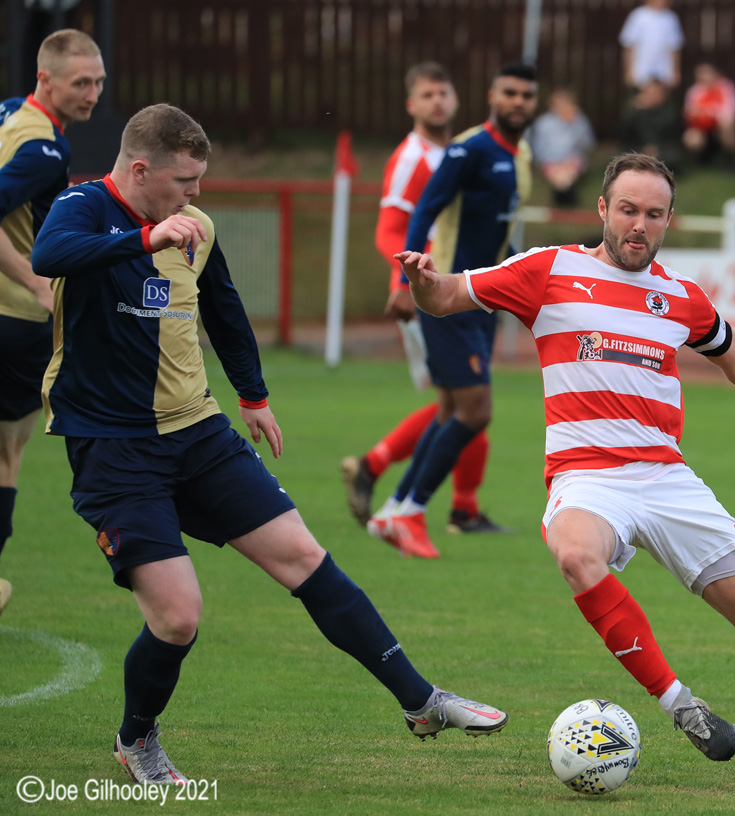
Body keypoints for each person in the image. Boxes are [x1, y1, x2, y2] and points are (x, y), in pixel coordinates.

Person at [31, 103, 508, 784]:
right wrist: (145, 239)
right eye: (185, 181)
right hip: (113, 445)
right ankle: (136, 740)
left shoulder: (198, 226)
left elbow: (223, 307)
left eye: (200, 181)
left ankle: (421, 700)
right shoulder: (82, 206)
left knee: (304, 557)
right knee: (177, 616)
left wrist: (253, 396)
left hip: (198, 432)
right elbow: (47, 256)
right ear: (141, 170)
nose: (196, 195)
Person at [395, 152, 735, 780]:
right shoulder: (550, 270)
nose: (639, 225)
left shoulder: (681, 297)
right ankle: (681, 705)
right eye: (628, 210)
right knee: (578, 554)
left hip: (666, 478)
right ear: (604, 209)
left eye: (654, 215)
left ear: (668, 221)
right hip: (587, 477)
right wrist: (421, 279)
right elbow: (445, 296)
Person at [366, 63, 538, 559]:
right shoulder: (469, 149)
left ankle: (392, 511)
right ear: (491, 96)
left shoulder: (519, 152)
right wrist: (406, 279)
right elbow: (421, 211)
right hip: (450, 298)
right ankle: (413, 511)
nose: (518, 102)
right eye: (509, 93)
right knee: (475, 410)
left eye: (527, 95)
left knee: (449, 411)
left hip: (486, 297)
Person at [341, 62, 504, 540]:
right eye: (427, 94)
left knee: (461, 400)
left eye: (444, 92)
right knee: (466, 401)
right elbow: (390, 229)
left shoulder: (461, 151)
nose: (438, 101)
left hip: (460, 290)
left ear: (456, 98)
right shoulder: (412, 157)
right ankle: (450, 505)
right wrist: (404, 281)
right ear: (411, 105)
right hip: (429, 294)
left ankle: (448, 502)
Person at [0, 28, 106, 617]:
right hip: (13, 321)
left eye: (98, 82)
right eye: (81, 83)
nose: (92, 94)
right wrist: (38, 283)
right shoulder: (44, 150)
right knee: (6, 456)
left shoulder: (10, 115)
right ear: (46, 79)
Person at [530, 88, 595, 207]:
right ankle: (566, 193)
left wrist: (575, 125)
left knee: (568, 171)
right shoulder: (544, 123)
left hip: (572, 161)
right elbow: (539, 149)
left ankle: (562, 193)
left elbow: (587, 145)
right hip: (551, 162)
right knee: (560, 174)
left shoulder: (579, 121)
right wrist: (555, 162)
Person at [682, 63, 735, 172]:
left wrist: (707, 112)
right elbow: (689, 112)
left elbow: (730, 110)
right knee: (691, 139)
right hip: (701, 126)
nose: (704, 77)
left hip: (719, 126)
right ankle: (703, 157)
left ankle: (731, 161)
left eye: (706, 73)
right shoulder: (694, 91)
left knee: (727, 123)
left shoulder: (725, 87)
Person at [619, 79, 683, 172]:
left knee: (673, 157)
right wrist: (633, 111)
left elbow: (674, 140)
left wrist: (657, 149)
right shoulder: (636, 113)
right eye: (649, 93)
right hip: (639, 149)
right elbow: (624, 135)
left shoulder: (670, 113)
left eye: (656, 93)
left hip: (663, 150)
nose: (652, 96)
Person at [619, 0, 684, 91]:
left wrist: (676, 71)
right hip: (641, 68)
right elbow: (628, 45)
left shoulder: (671, 18)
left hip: (664, 70)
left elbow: (675, 47)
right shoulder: (638, 16)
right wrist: (628, 71)